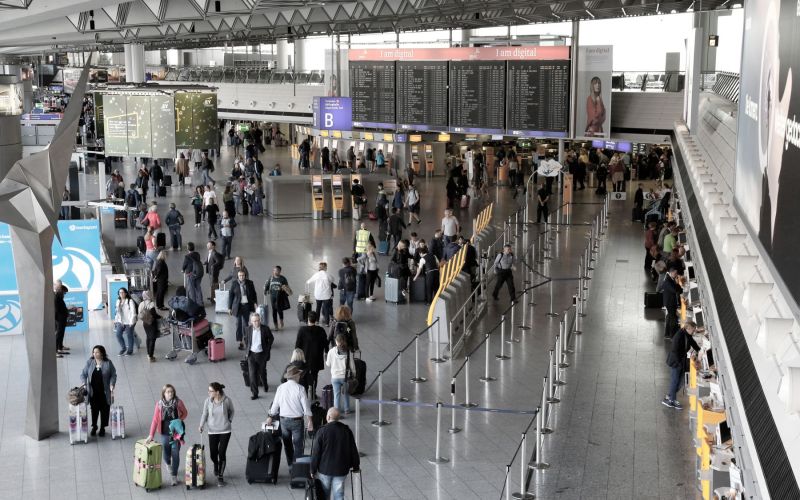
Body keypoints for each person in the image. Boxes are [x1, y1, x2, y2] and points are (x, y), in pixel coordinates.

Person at [267, 365, 313, 465]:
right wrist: (310, 421)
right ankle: (297, 467)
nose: (300, 376)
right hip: (297, 421)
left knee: (287, 445)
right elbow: (306, 407)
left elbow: (275, 405)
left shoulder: (280, 388)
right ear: (296, 376)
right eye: (299, 375)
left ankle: (290, 466)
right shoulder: (300, 388)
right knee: (298, 445)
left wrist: (270, 417)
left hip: (283, 420)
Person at [311, 406, 360, 500]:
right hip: (341, 470)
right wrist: (356, 466)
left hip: (325, 470)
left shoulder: (322, 431)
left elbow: (316, 452)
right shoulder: (346, 430)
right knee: (339, 495)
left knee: (324, 495)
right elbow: (353, 449)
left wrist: (312, 469)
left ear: (328, 417)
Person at [146, 384, 189, 486]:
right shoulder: (159, 404)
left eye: (171, 392)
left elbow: (185, 413)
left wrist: (179, 420)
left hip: (176, 433)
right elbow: (155, 420)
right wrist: (151, 435)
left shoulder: (178, 402)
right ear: (164, 393)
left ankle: (174, 476)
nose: (170, 394)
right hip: (164, 432)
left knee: (175, 454)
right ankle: (168, 464)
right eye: (168, 392)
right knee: (166, 452)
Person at [198, 382, 235, 486]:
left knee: (222, 452)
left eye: (210, 391)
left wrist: (229, 421)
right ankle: (216, 463)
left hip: (225, 430)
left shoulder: (227, 400)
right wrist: (201, 425)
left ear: (217, 392)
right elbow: (204, 413)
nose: (208, 392)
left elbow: (232, 411)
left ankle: (220, 476)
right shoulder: (207, 401)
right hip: (212, 430)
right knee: (213, 454)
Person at [80, 345, 117, 437]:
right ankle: (94, 426)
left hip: (104, 392)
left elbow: (113, 375)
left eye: (97, 352)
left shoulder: (108, 363)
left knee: (104, 410)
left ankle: (102, 428)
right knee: (94, 410)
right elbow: (83, 374)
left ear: (102, 353)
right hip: (93, 392)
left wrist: (112, 384)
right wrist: (84, 384)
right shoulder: (90, 362)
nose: (94, 354)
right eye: (93, 352)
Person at [663, 321, 701, 410]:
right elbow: (675, 351)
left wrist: (699, 350)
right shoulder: (679, 336)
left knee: (681, 381)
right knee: (675, 381)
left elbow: (692, 342)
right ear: (688, 328)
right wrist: (679, 364)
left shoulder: (686, 334)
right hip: (676, 362)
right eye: (693, 330)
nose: (694, 331)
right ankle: (671, 401)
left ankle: (669, 396)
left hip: (680, 361)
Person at [295, 310, 328, 398]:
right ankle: (313, 393)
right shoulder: (321, 330)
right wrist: (326, 352)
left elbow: (297, 345)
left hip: (304, 357)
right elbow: (326, 343)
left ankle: (305, 393)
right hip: (316, 358)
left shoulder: (302, 330)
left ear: (308, 319)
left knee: (304, 375)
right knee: (314, 375)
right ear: (316, 319)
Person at [243, 312, 274, 399]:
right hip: (251, 355)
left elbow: (271, 338)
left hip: (261, 354)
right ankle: (255, 393)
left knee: (262, 372)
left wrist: (267, 349)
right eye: (254, 321)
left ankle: (265, 384)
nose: (256, 323)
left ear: (260, 320)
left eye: (257, 320)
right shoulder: (248, 329)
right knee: (252, 374)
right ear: (251, 322)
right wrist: (247, 350)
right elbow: (246, 339)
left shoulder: (265, 329)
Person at [325, 334, 356, 415]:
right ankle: (347, 409)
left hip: (335, 377)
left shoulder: (331, 351)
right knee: (346, 393)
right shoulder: (348, 352)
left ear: (336, 341)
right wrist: (354, 374)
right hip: (345, 377)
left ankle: (336, 412)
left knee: (336, 395)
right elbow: (352, 366)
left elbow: (328, 364)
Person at [229, 270, 258, 351]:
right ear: (238, 276)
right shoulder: (234, 283)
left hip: (246, 306)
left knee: (245, 323)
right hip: (238, 306)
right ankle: (240, 341)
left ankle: (246, 339)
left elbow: (254, 294)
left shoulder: (250, 283)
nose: (241, 277)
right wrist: (229, 308)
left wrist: (255, 303)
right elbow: (231, 295)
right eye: (240, 275)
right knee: (238, 324)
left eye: (243, 275)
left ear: (245, 275)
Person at [138, 291, 162, 362]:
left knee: (148, 337)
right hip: (152, 323)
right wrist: (160, 317)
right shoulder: (151, 304)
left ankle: (148, 353)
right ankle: (150, 356)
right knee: (152, 339)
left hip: (145, 323)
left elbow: (139, 313)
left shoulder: (141, 304)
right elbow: (154, 314)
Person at [264, 266, 291, 330]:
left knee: (279, 309)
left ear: (279, 271)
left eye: (276, 270)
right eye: (274, 270)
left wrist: (284, 289)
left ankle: (281, 320)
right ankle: (275, 325)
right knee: (274, 310)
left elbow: (287, 287)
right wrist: (265, 290)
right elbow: (267, 285)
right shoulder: (271, 278)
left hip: (280, 297)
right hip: (272, 297)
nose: (274, 272)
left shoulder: (283, 279)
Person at [113, 288, 138, 356]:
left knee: (129, 335)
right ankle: (123, 348)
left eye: (123, 292)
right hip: (120, 321)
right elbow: (117, 312)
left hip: (129, 321)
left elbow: (133, 313)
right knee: (118, 334)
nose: (121, 294)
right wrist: (116, 320)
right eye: (120, 292)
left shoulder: (130, 301)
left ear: (126, 293)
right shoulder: (118, 301)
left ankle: (130, 350)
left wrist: (131, 322)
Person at [662, 266, 683, 340]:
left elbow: (680, 290)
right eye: (675, 273)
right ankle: (672, 335)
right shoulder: (667, 281)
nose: (676, 275)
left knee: (669, 317)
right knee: (673, 318)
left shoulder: (671, 279)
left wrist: (677, 284)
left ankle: (667, 334)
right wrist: (677, 284)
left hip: (671, 301)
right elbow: (674, 290)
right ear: (671, 272)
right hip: (669, 303)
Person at [54, 279, 69, 358]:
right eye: (64, 292)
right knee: (58, 334)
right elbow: (56, 310)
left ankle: (60, 347)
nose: (64, 294)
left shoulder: (59, 296)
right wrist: (57, 319)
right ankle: (55, 350)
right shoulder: (56, 296)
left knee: (61, 333)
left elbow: (62, 307)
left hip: (62, 318)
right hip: (59, 319)